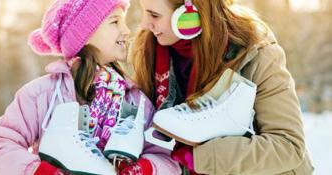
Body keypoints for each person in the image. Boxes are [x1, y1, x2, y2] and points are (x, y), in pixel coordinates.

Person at [0, 0, 181, 174]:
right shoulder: (43, 95)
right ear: (84, 34)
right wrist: (41, 172)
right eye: (115, 21)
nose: (126, 30)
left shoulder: (135, 102)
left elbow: (165, 157)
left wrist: (142, 170)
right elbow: (0, 146)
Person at [130, 0, 314, 174]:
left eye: (154, 15)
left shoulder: (256, 54)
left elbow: (288, 146)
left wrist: (201, 158)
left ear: (189, 14)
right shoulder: (149, 51)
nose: (145, 24)